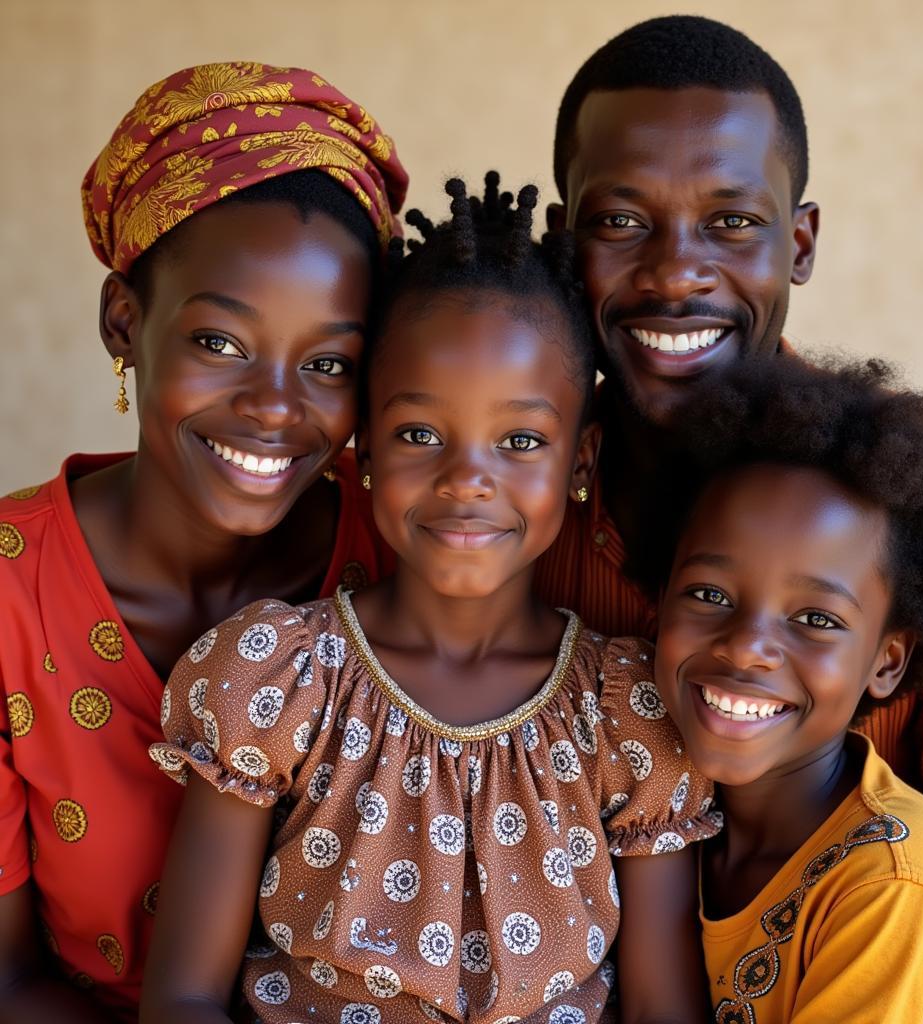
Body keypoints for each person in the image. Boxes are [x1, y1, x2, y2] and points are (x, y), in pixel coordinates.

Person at [140, 174, 720, 1024]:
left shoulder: (625, 714)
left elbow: (664, 1012)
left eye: (520, 440)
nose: (466, 482)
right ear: (364, 445)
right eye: (420, 434)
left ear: (582, 464)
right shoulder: (276, 680)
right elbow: (185, 996)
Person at [534, 17, 923, 1017]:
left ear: (797, 243)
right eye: (620, 222)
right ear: (562, 243)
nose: (675, 273)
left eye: (730, 223)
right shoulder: (494, 500)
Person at [0, 62, 407, 1023]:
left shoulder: (408, 550)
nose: (274, 409)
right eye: (220, 342)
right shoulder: (11, 601)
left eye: (329, 363)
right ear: (123, 322)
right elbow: (7, 981)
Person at [647, 355, 923, 1022]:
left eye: (815, 619)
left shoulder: (893, 882)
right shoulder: (645, 791)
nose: (747, 646)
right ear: (659, 599)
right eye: (709, 594)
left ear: (888, 661)